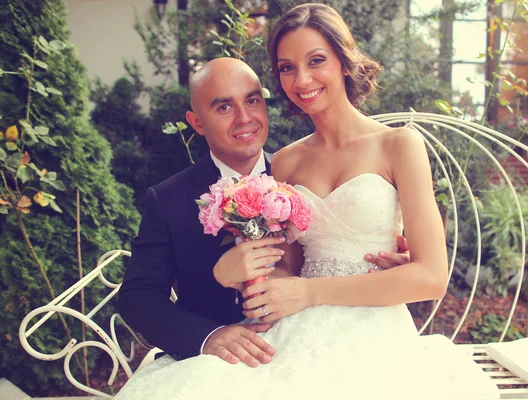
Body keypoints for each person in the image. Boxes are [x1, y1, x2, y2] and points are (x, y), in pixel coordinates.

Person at [115, 4, 500, 400]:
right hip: (291, 330)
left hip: (372, 331)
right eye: (286, 67)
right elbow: (288, 268)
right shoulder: (286, 162)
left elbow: (432, 276)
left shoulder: (399, 144)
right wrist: (234, 276)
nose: (301, 79)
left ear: (344, 62)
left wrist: (385, 271)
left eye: (316, 60)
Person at [118, 56, 409, 367]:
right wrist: (207, 336)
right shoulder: (168, 200)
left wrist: (391, 260)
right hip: (222, 363)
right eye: (224, 107)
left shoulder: (299, 173)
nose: (244, 118)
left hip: (319, 344)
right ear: (197, 122)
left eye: (252, 100)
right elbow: (138, 297)